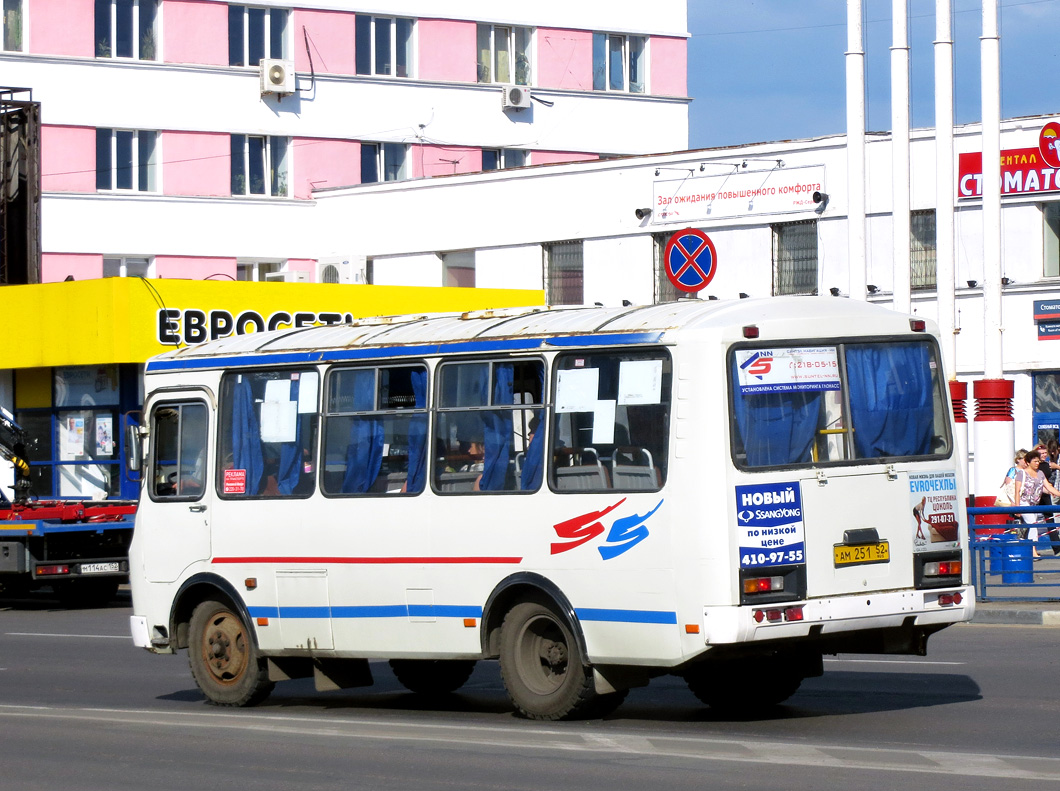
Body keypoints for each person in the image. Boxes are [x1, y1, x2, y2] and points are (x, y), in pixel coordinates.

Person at [1014, 449, 1060, 559]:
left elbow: (1048, 487)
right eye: (1035, 461)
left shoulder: (1040, 473)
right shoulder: (1022, 473)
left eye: (1038, 461)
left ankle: (1026, 548)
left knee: (1029, 526)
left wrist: (1058, 494)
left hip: (1034, 504)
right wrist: (1017, 507)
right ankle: (1033, 551)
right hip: (1023, 503)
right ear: (1028, 462)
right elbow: (1017, 491)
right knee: (1033, 524)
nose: (1037, 463)